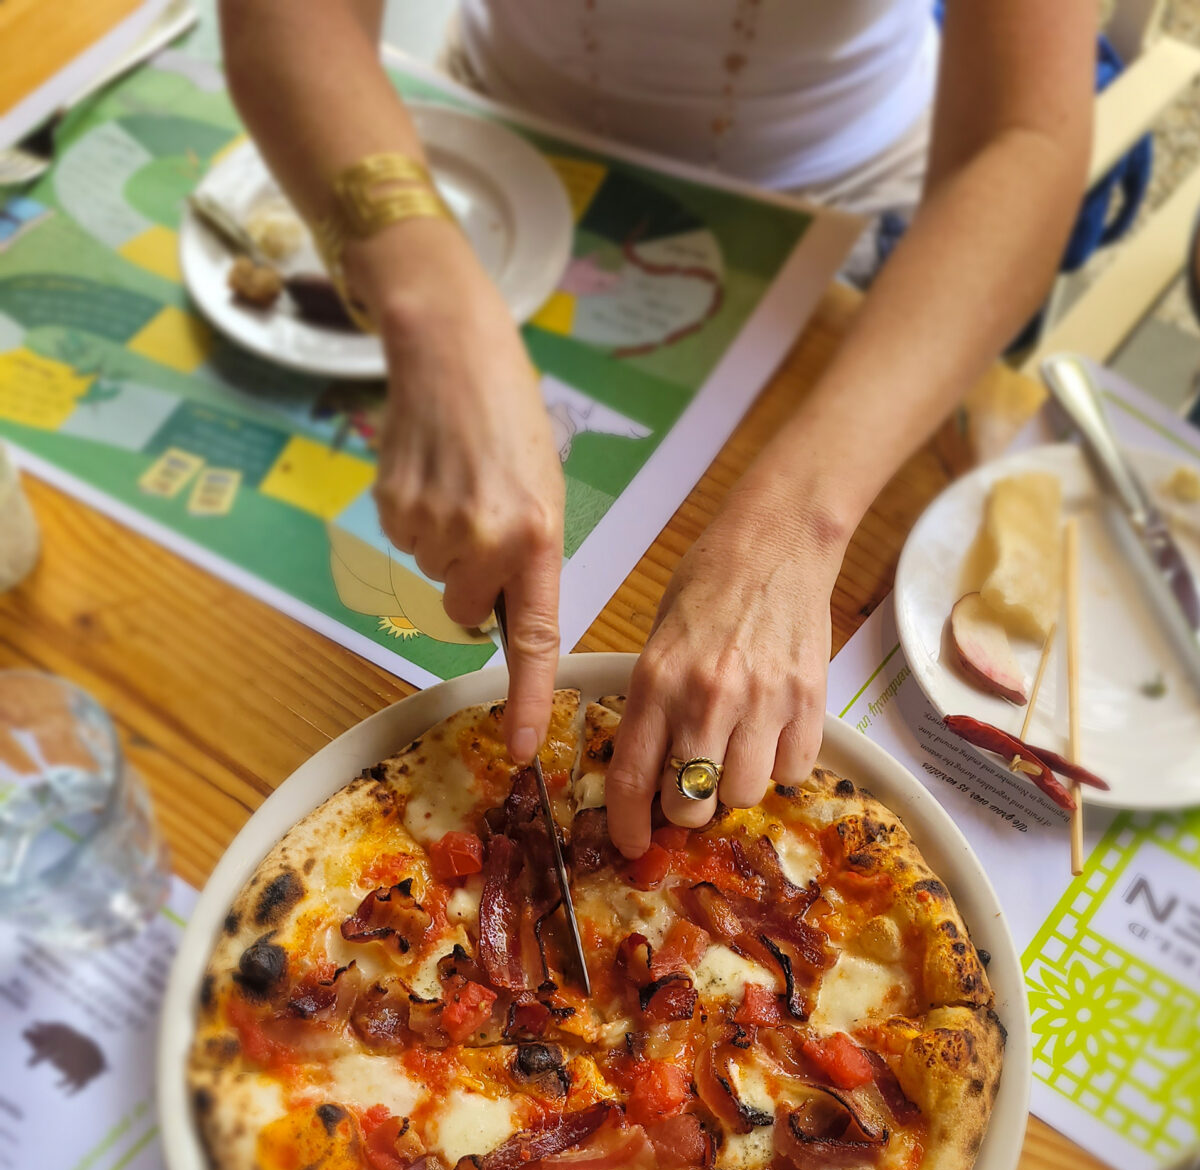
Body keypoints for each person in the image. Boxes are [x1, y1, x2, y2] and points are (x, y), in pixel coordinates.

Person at [219, 0, 1093, 857]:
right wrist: (430, 310)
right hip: (471, 188)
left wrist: (796, 524)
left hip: (860, 252)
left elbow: (1026, 141)